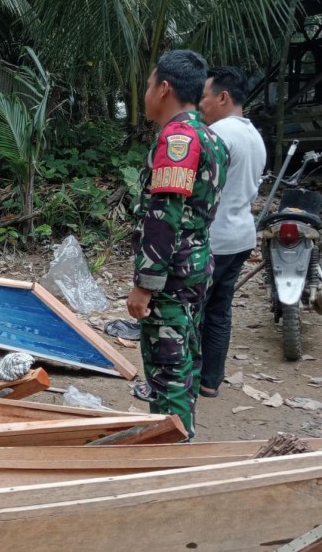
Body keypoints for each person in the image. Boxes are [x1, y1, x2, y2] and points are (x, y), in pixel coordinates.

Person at [127, 49, 228, 439]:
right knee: (184, 365)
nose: (146, 92)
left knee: (167, 373)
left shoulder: (179, 139)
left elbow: (164, 216)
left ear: (164, 88)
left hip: (171, 277)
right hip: (196, 268)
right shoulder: (209, 136)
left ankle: (171, 457)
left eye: (150, 84)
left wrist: (144, 285)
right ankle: (181, 440)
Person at [197, 66, 266, 398]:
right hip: (241, 237)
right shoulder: (253, 134)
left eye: (206, 97)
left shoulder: (218, 134)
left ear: (223, 97)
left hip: (215, 239)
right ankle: (210, 379)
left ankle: (181, 382)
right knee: (219, 311)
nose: (201, 104)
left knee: (190, 313)